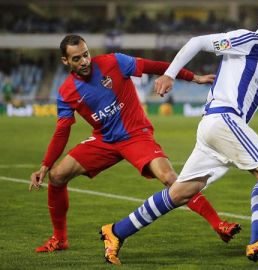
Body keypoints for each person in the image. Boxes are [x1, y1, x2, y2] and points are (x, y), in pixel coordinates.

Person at [99, 2, 258, 265]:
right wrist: (170, 74)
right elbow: (197, 42)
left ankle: (116, 231)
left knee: (180, 193)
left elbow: (257, 92)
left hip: (215, 127)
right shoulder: (249, 40)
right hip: (225, 120)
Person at [29, 34, 241, 253]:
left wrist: (193, 77)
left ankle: (218, 224)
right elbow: (62, 130)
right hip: (104, 140)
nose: (84, 61)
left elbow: (154, 66)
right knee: (57, 175)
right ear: (65, 61)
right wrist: (45, 165)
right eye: (76, 59)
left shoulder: (114, 62)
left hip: (135, 135)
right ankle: (59, 239)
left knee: (169, 177)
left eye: (86, 54)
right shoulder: (66, 92)